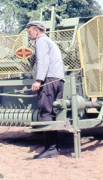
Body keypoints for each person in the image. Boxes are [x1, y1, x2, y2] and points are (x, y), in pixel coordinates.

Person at [26, 20, 65, 159]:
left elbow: (43, 61)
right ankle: (54, 147)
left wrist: (38, 80)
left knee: (46, 112)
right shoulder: (50, 41)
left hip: (49, 80)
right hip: (58, 80)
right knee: (53, 112)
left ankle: (51, 149)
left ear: (37, 31)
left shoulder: (41, 41)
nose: (28, 34)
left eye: (30, 31)